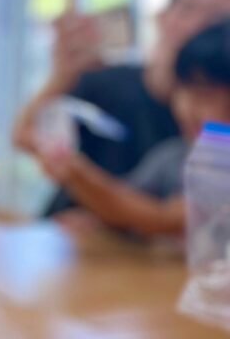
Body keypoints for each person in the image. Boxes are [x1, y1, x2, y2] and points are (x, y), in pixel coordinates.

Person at [13, 0, 230, 215]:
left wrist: (78, 174)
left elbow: (163, 216)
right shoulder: (109, 81)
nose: (196, 24)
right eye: (189, 9)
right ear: (161, 17)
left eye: (217, 16)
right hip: (71, 225)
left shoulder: (196, 143)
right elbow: (24, 133)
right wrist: (61, 77)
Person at [38, 19, 230, 237]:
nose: (188, 108)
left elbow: (164, 218)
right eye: (184, 91)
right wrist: (100, 219)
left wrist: (78, 172)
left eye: (206, 96)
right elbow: (127, 202)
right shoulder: (173, 156)